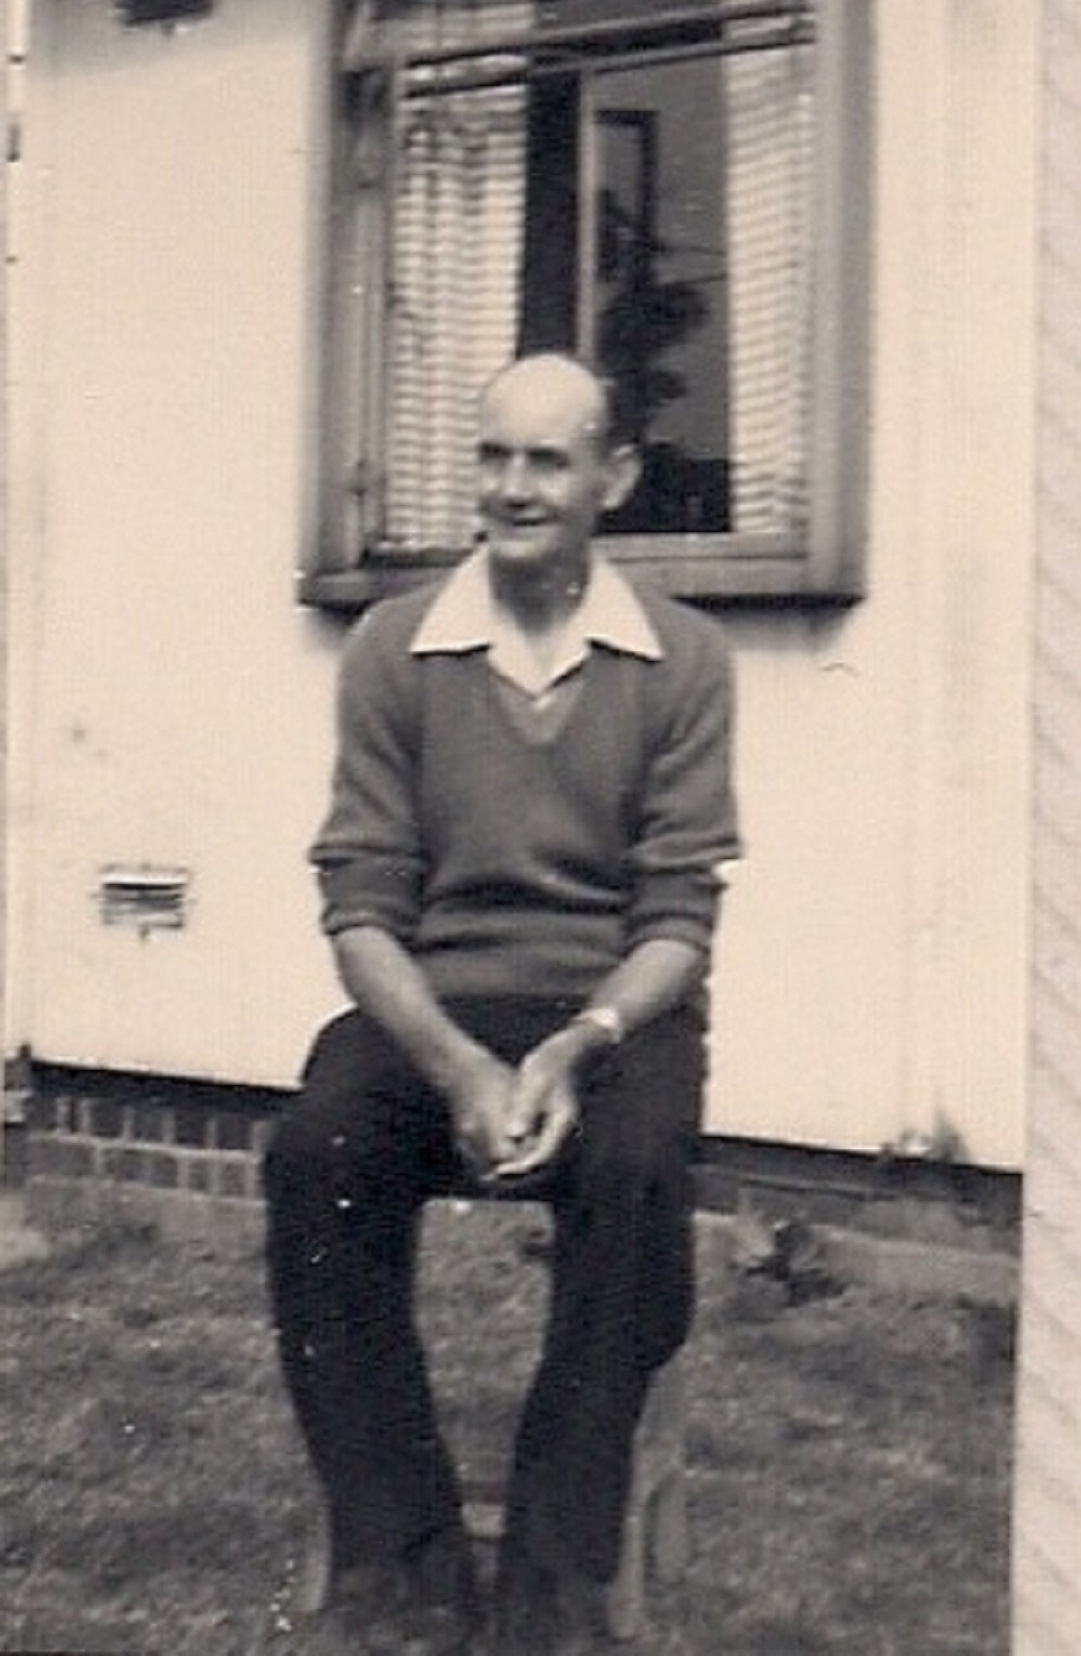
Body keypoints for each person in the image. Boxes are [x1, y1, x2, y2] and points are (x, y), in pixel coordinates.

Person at [264, 352, 740, 1655]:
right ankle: (403, 1561)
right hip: (430, 1008)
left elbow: (675, 924)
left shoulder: (682, 660)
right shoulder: (393, 648)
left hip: (609, 1015)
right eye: (494, 458)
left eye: (545, 460)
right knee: (315, 1154)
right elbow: (359, 907)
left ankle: (554, 1568)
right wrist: (463, 1069)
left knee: (637, 1167)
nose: (512, 489)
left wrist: (580, 1047)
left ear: (612, 479)